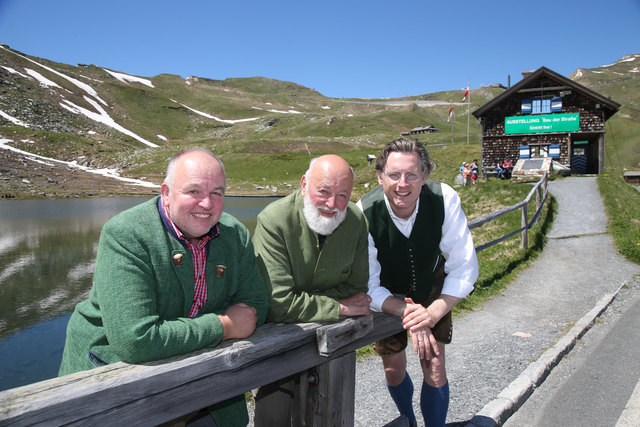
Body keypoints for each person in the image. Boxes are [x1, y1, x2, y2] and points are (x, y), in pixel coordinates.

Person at [58, 148, 269, 427]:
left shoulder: (234, 233)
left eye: (217, 193)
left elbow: (256, 307)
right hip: (115, 382)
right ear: (166, 193)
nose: (206, 203)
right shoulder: (126, 234)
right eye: (194, 191)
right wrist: (224, 325)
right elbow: (135, 340)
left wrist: (177, 333)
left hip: (202, 379)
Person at [357, 138, 478, 427]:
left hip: (432, 288)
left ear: (424, 176)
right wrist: (407, 312)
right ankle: (409, 421)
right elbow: (368, 283)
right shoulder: (365, 211)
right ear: (379, 176)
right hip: (386, 296)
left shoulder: (443, 198)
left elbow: (464, 268)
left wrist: (432, 313)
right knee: (393, 369)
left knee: (435, 365)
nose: (403, 184)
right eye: (394, 175)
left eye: (411, 174)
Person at [252, 154, 371, 426]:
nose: (333, 204)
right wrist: (339, 307)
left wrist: (301, 302)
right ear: (304, 184)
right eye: (324, 191)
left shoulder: (356, 221)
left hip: (333, 351)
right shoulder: (274, 220)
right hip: (279, 351)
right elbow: (278, 304)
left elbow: (357, 287)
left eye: (343, 194)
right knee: (273, 419)